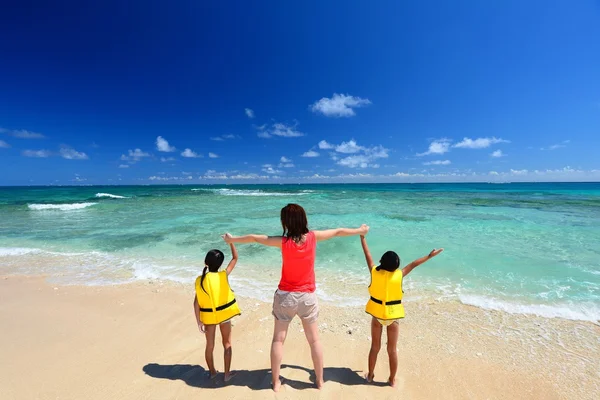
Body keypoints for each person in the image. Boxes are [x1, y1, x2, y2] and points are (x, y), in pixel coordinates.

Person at [223, 203, 369, 391]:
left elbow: (254, 238)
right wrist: (360, 230)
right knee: (314, 340)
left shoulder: (283, 242)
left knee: (278, 340)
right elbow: (339, 232)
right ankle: (319, 381)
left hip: (285, 297)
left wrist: (231, 239)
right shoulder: (313, 237)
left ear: (285, 223)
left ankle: (275, 382)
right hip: (307, 297)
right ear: (304, 220)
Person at [359, 233, 443, 387]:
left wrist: (362, 238)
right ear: (396, 266)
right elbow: (413, 264)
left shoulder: (373, 271)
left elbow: (367, 254)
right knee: (392, 350)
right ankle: (391, 380)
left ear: (381, 262)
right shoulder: (400, 274)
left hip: (377, 313)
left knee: (375, 347)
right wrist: (429, 256)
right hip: (393, 315)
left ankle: (370, 376)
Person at [193, 235, 240, 382]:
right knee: (227, 344)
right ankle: (226, 375)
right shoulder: (223, 275)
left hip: (208, 318)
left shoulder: (200, 280)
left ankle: (212, 372)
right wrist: (231, 242)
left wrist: (199, 321)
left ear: (205, 262)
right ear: (220, 265)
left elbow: (196, 303)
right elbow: (235, 258)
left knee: (210, 346)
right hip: (224, 315)